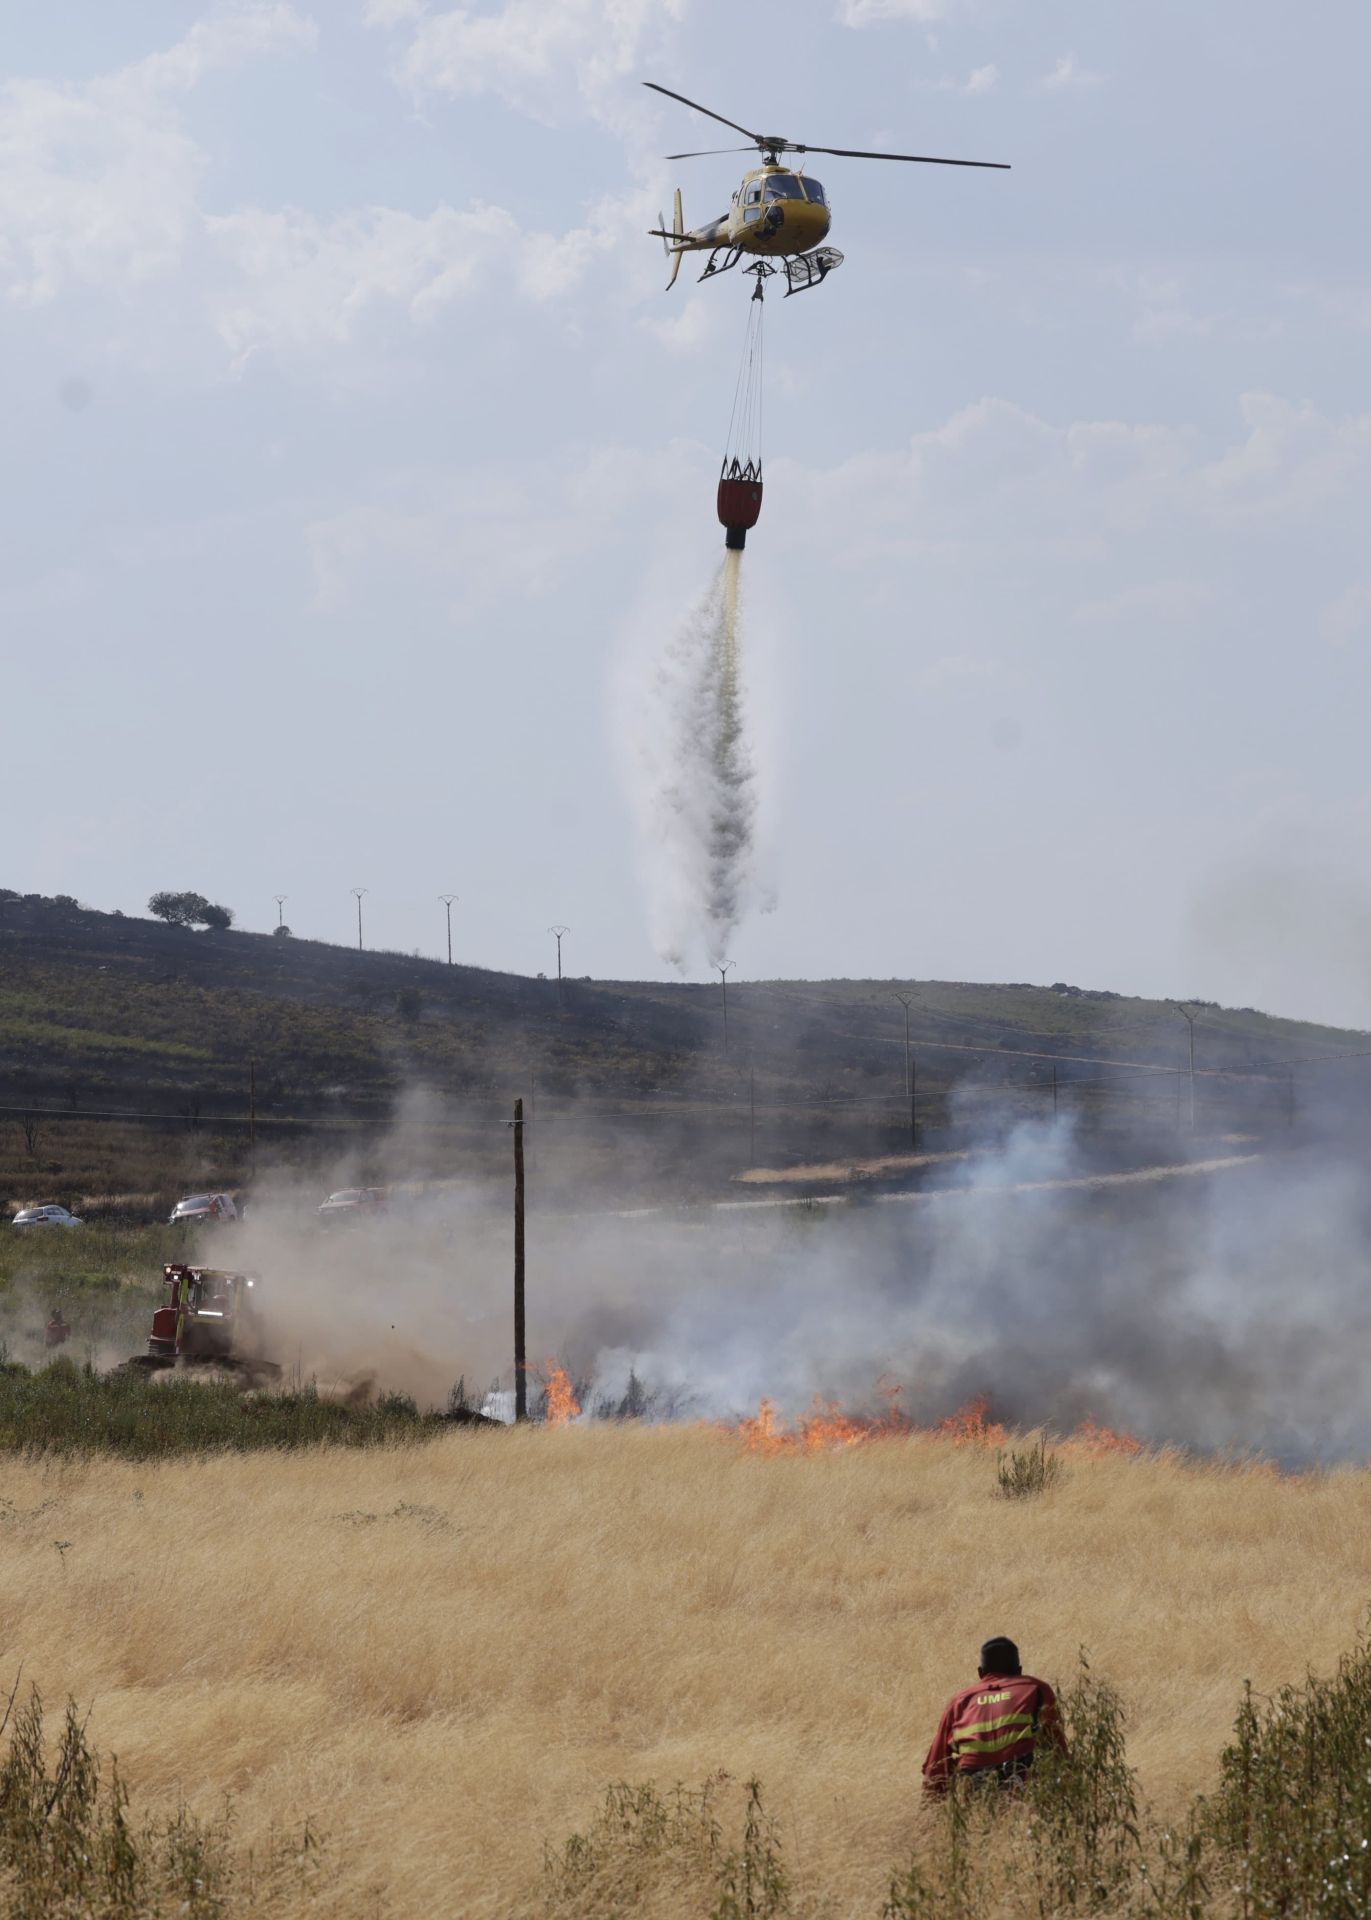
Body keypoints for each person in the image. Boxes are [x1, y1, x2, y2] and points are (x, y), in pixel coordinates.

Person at [922, 1637, 1066, 1795]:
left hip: (974, 1787)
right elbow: (1057, 1745)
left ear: (980, 1673)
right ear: (1019, 1671)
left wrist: (931, 1812)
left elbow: (936, 1768)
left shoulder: (959, 1701)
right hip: (1021, 1780)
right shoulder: (1036, 1688)